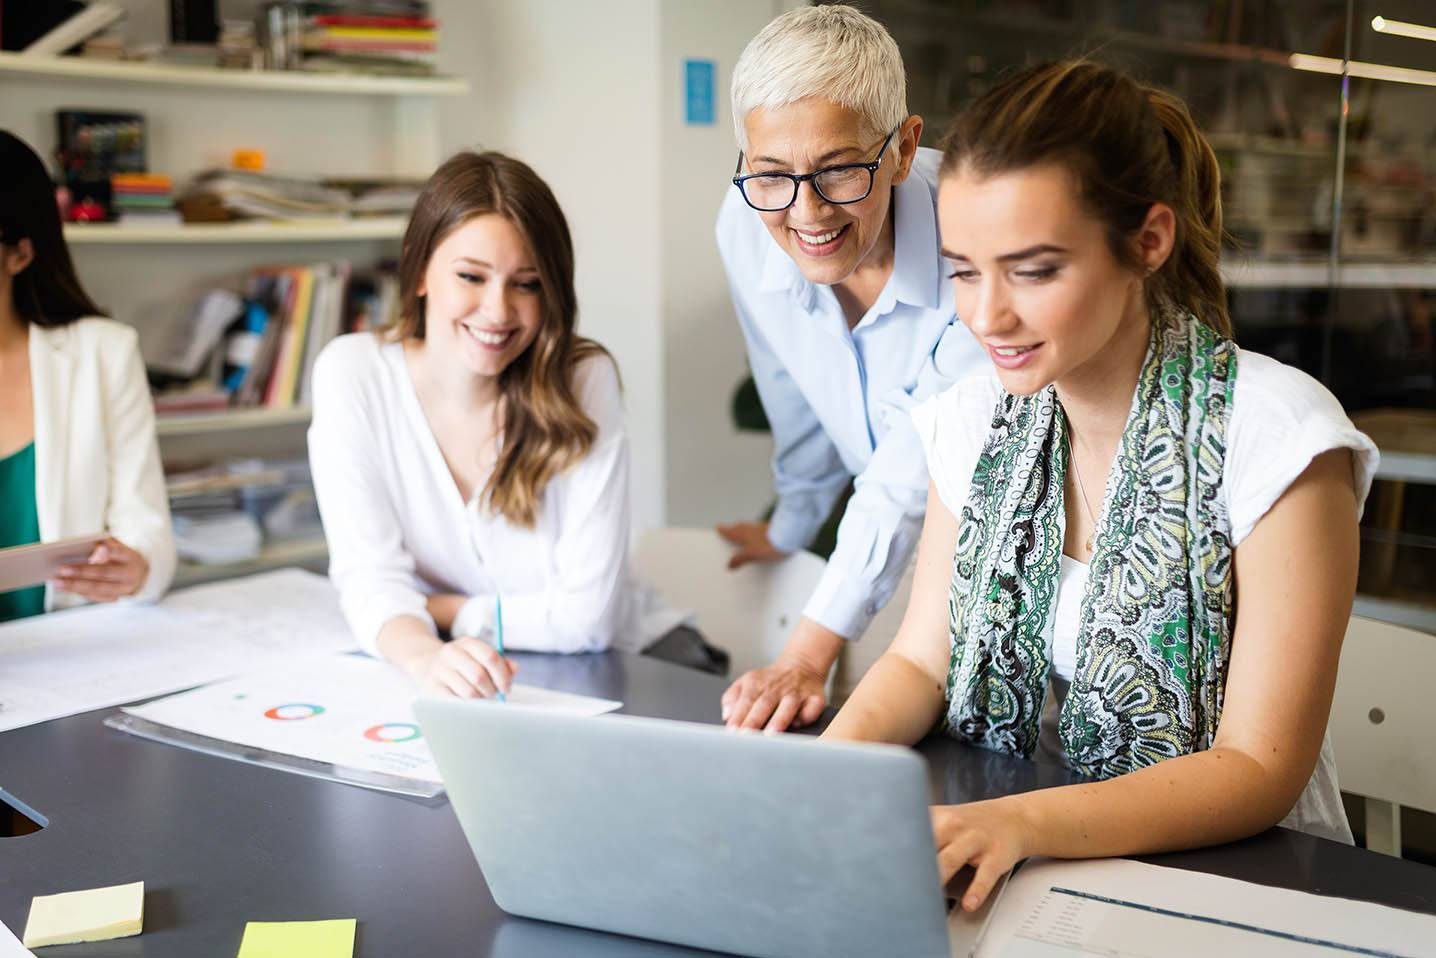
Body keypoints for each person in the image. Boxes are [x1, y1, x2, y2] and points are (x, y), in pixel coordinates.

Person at [821, 60, 1377, 911]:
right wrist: (813, 777)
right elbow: (920, 660)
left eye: (1034, 271)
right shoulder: (970, 420)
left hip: (1248, 885)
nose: (986, 316)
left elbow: (1258, 769)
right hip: (1039, 855)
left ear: (1148, 241)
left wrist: (1018, 825)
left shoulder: (1276, 437)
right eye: (965, 270)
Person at [309, 151, 708, 699]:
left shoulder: (582, 380)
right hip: (480, 676)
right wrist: (426, 655)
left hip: (634, 662)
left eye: (527, 284)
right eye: (471, 276)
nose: (498, 312)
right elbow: (370, 579)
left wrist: (444, 611)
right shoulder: (352, 374)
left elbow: (588, 621)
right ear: (419, 267)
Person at [715, 5, 982, 731]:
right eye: (771, 174)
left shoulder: (976, 246)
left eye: (838, 171)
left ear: (903, 148)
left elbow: (910, 469)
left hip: (997, 555)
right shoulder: (746, 224)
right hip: (897, 575)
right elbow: (788, 386)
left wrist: (805, 654)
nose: (805, 212)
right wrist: (794, 521)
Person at [0, 130, 174, 622]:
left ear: (21, 253)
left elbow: (147, 530)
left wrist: (136, 567)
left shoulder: (104, 352)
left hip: (67, 657)